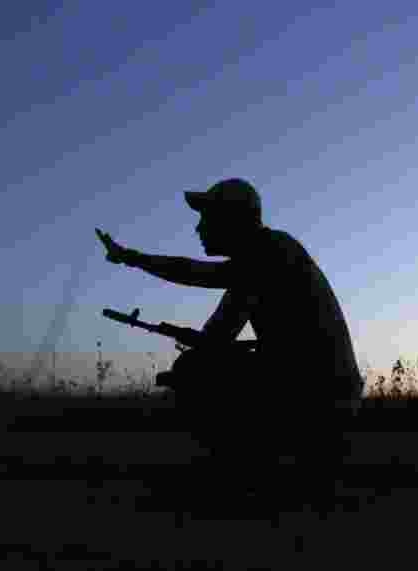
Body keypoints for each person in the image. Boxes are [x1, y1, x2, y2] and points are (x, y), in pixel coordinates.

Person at [95, 178, 363, 492]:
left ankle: (243, 475)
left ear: (230, 219)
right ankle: (271, 461)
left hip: (320, 397)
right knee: (207, 366)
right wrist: (131, 257)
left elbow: (212, 320)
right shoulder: (270, 251)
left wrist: (130, 258)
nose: (198, 228)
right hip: (329, 391)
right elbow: (210, 301)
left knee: (193, 371)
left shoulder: (265, 254)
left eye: (205, 218)